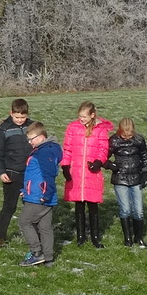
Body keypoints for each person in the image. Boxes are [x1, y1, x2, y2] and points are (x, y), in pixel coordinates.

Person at [61, 101, 115, 248]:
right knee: (79, 204)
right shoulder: (73, 127)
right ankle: (80, 236)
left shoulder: (100, 130)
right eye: (80, 116)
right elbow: (68, 148)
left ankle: (95, 237)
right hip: (77, 171)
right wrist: (65, 165)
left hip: (92, 172)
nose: (81, 119)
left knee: (92, 204)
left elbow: (103, 148)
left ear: (92, 115)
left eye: (84, 117)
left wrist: (98, 161)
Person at [18, 120, 62, 266]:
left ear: (41, 137)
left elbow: (48, 175)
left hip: (40, 197)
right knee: (45, 227)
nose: (30, 142)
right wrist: (25, 190)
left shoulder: (44, 153)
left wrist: (46, 194)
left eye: (31, 139)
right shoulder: (43, 150)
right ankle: (48, 257)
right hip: (38, 194)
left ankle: (36, 252)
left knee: (24, 221)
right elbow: (34, 175)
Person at [0, 98, 32, 247]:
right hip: (12, 174)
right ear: (11, 113)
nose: (20, 120)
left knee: (32, 206)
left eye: (23, 117)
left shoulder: (32, 127)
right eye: (17, 117)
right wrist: (1, 172)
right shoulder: (4, 130)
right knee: (9, 206)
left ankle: (34, 236)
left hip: (30, 175)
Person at [107, 117, 147, 248]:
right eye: (124, 134)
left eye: (130, 134)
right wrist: (110, 165)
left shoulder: (139, 139)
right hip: (120, 178)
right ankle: (128, 239)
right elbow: (104, 156)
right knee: (125, 209)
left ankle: (139, 238)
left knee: (138, 210)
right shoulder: (114, 140)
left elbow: (144, 156)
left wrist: (145, 173)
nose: (127, 136)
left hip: (136, 177)